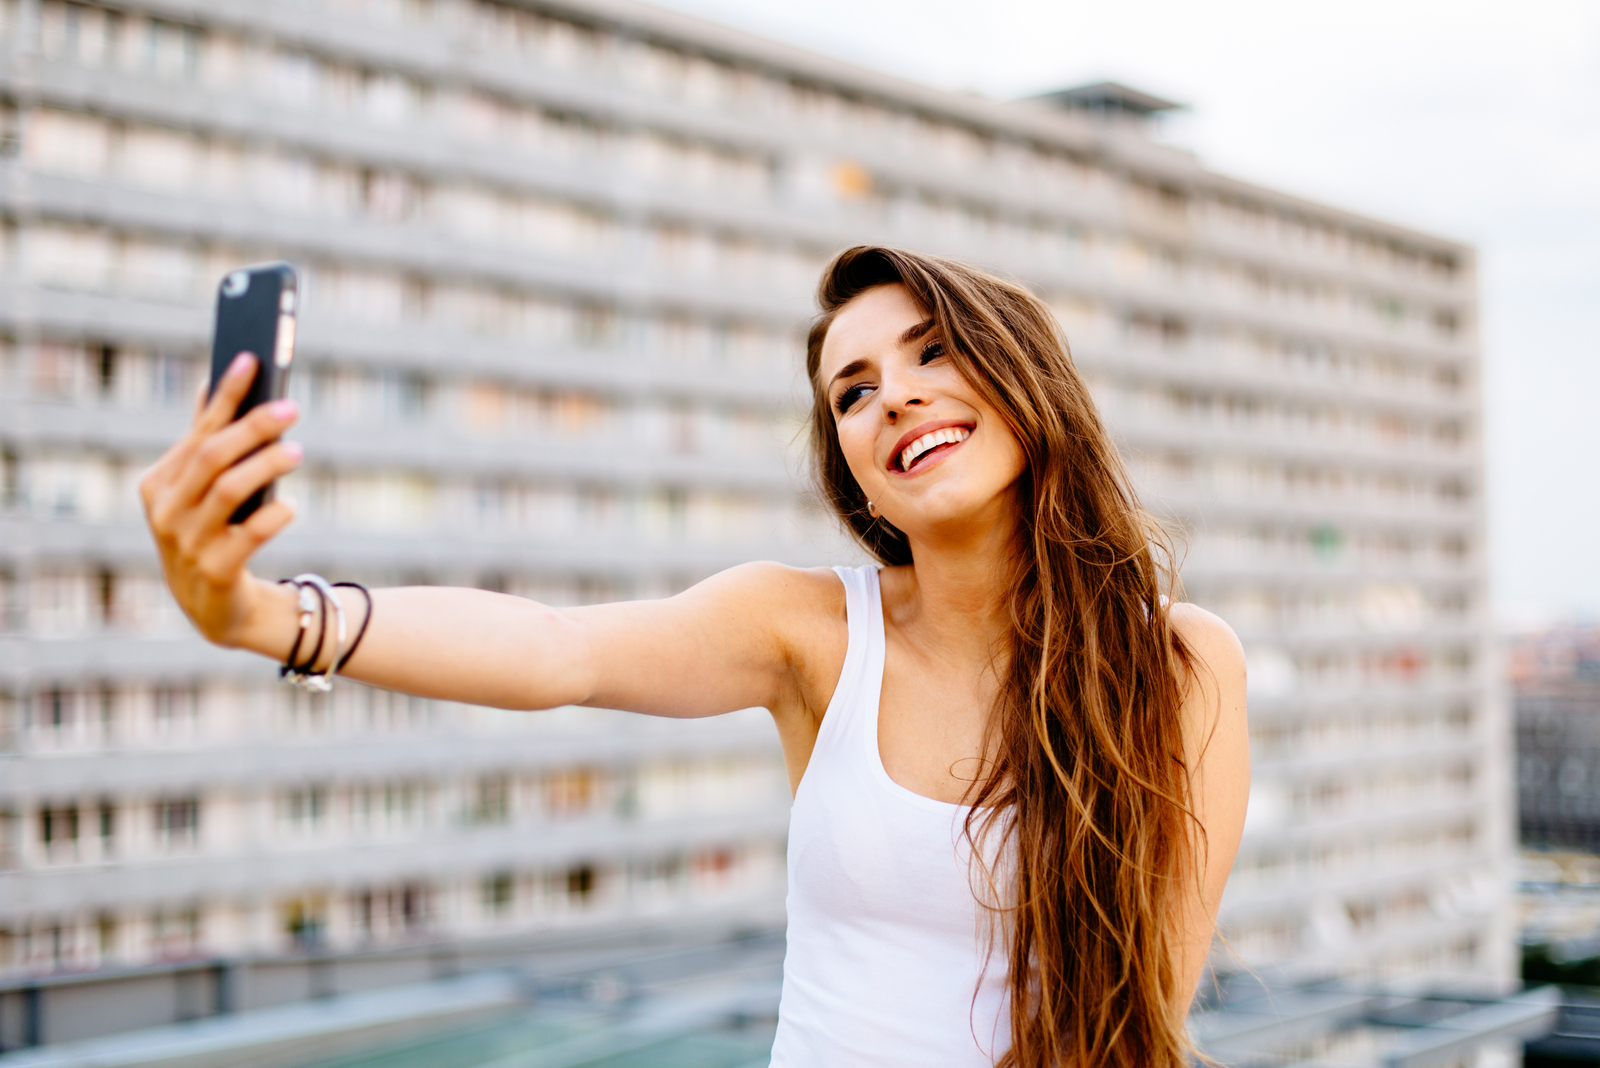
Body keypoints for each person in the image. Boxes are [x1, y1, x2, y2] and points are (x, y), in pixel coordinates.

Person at [141, 245, 1249, 1067]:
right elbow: (555, 649)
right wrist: (261, 614)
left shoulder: (1181, 669)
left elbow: (1144, 1022)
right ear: (853, 472)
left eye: (933, 350)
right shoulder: (810, 630)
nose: (893, 396)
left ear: (1027, 381)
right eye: (851, 392)